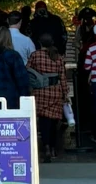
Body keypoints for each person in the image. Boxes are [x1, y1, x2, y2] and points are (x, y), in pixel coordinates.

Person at [28, 34, 67, 162]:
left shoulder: (35, 55)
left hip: (40, 92)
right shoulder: (58, 57)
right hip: (55, 91)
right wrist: (65, 93)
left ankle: (46, 147)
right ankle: (53, 147)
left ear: (39, 42)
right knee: (54, 122)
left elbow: (28, 71)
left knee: (44, 121)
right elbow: (62, 77)